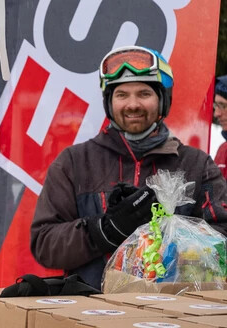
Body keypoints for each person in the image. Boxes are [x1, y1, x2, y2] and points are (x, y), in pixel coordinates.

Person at [31, 46, 227, 289]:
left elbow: (223, 237)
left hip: (173, 315)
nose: (132, 105)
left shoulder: (196, 165)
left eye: (144, 93)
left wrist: (170, 241)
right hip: (91, 313)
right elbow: (44, 244)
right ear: (109, 102)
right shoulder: (74, 162)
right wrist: (104, 230)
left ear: (163, 99)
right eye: (121, 95)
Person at [212, 75, 227, 179]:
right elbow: (212, 191)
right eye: (216, 105)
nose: (216, 114)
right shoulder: (223, 150)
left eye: (223, 106)